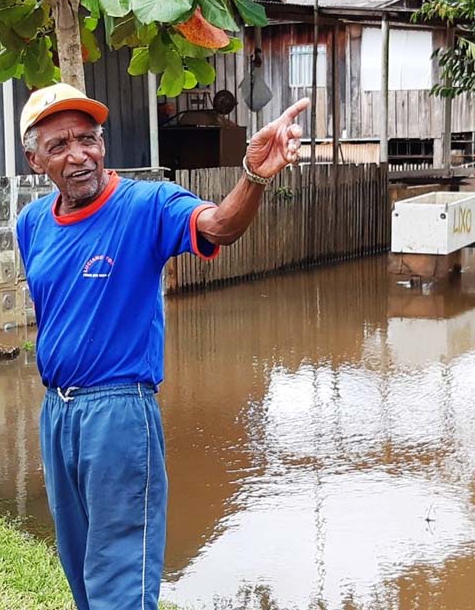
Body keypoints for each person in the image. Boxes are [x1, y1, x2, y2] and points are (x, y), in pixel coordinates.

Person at [16, 82, 309, 610]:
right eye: (59, 145)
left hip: (118, 412)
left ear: (102, 144)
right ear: (36, 160)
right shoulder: (32, 223)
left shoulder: (146, 204)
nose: (78, 155)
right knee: (78, 565)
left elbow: (219, 226)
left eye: (87, 139)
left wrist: (253, 176)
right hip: (57, 411)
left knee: (120, 578)